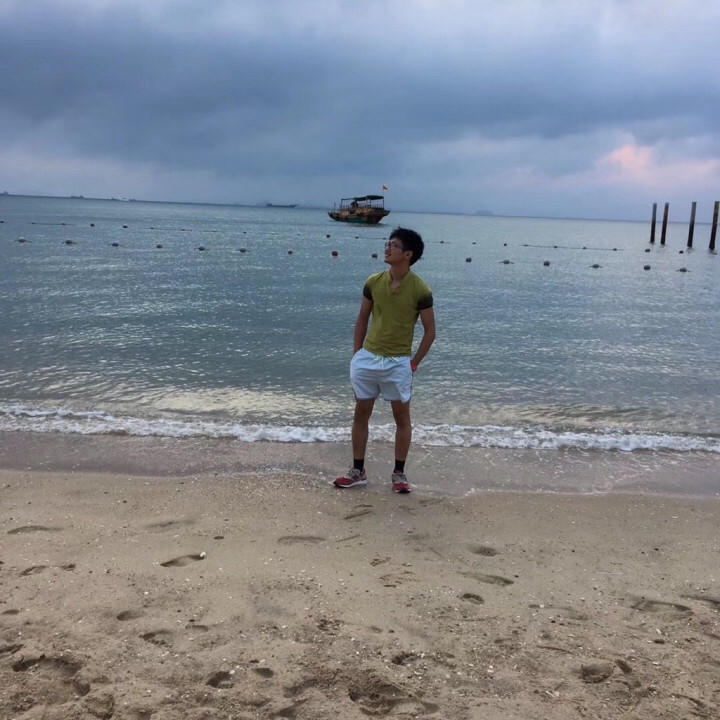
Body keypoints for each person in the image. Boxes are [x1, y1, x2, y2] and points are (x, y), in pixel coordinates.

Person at [334, 227, 436, 493]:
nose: (387, 248)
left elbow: (430, 331)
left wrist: (414, 362)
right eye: (388, 243)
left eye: (393, 245)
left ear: (408, 254)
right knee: (361, 414)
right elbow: (362, 318)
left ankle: (399, 474)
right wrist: (357, 354)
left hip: (398, 362)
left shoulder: (420, 289)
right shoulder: (373, 281)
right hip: (368, 358)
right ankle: (358, 470)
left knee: (402, 418)